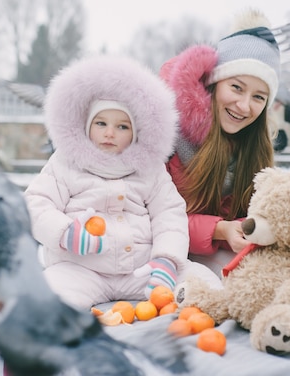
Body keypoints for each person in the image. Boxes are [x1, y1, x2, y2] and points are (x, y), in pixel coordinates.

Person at [23, 55, 221, 309]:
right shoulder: (65, 163)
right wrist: (64, 232)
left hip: (141, 270)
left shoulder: (149, 169)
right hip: (80, 268)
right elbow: (35, 204)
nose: (109, 133)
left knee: (203, 283)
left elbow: (169, 214)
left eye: (122, 127)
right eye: (101, 123)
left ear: (136, 132)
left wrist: (166, 260)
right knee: (49, 297)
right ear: (87, 126)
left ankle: (202, 311)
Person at [159, 8, 281, 271]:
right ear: (215, 83)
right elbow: (147, 219)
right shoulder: (166, 133)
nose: (244, 106)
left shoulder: (252, 147)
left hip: (204, 257)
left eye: (259, 97)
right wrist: (219, 229)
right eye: (236, 87)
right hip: (152, 257)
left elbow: (244, 221)